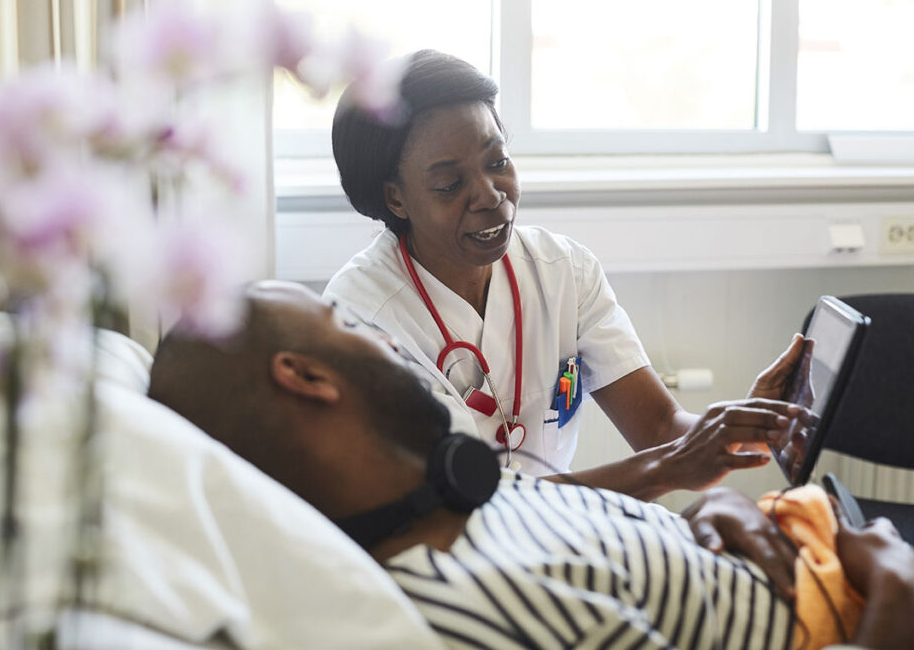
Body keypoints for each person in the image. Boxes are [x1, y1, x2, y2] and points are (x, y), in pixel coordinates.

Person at [148, 280, 914, 650]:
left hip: (817, 560)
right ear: (307, 377)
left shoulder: (459, 504)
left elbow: (651, 480)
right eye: (343, 325)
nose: (384, 340)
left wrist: (710, 511)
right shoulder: (472, 608)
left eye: (498, 160)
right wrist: (896, 588)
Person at [323, 48, 806, 496]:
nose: (491, 195)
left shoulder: (563, 271)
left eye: (498, 161)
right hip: (446, 556)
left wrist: (743, 429)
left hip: (557, 542)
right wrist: (671, 467)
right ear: (395, 198)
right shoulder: (361, 319)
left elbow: (659, 428)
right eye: (450, 184)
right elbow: (470, 501)